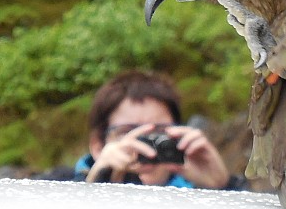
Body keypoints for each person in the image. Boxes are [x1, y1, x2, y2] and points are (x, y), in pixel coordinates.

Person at [75, 70, 243, 190]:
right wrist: (93, 186)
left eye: (159, 132)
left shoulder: (194, 196)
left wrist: (225, 187)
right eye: (127, 132)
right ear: (98, 145)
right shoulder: (56, 186)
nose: (145, 146)